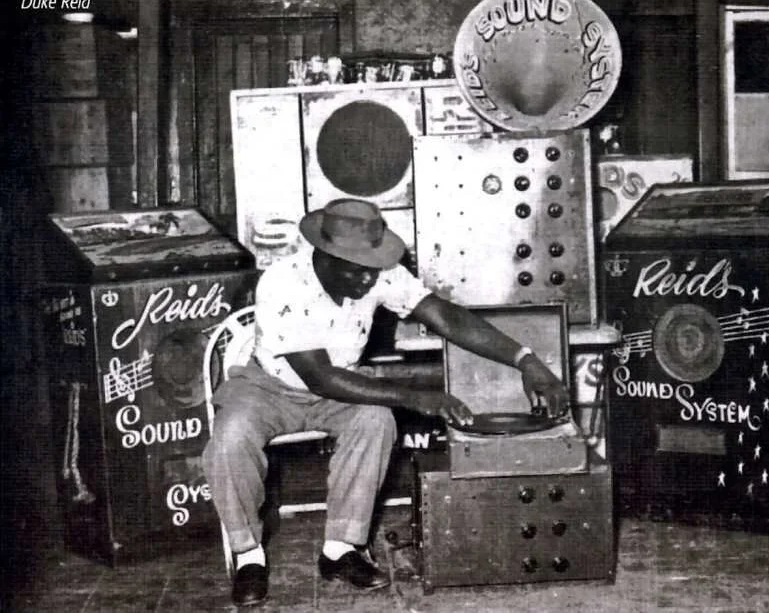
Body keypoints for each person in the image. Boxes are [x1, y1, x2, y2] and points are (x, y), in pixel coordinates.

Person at [203, 198, 569, 606]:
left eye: (372, 271)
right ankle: (248, 554)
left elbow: (446, 317)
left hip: (343, 385)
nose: (367, 282)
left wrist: (526, 359)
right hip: (268, 387)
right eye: (357, 271)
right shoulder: (282, 282)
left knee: (376, 420)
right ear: (324, 256)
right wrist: (415, 397)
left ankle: (341, 548)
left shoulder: (375, 272)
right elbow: (320, 377)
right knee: (230, 437)